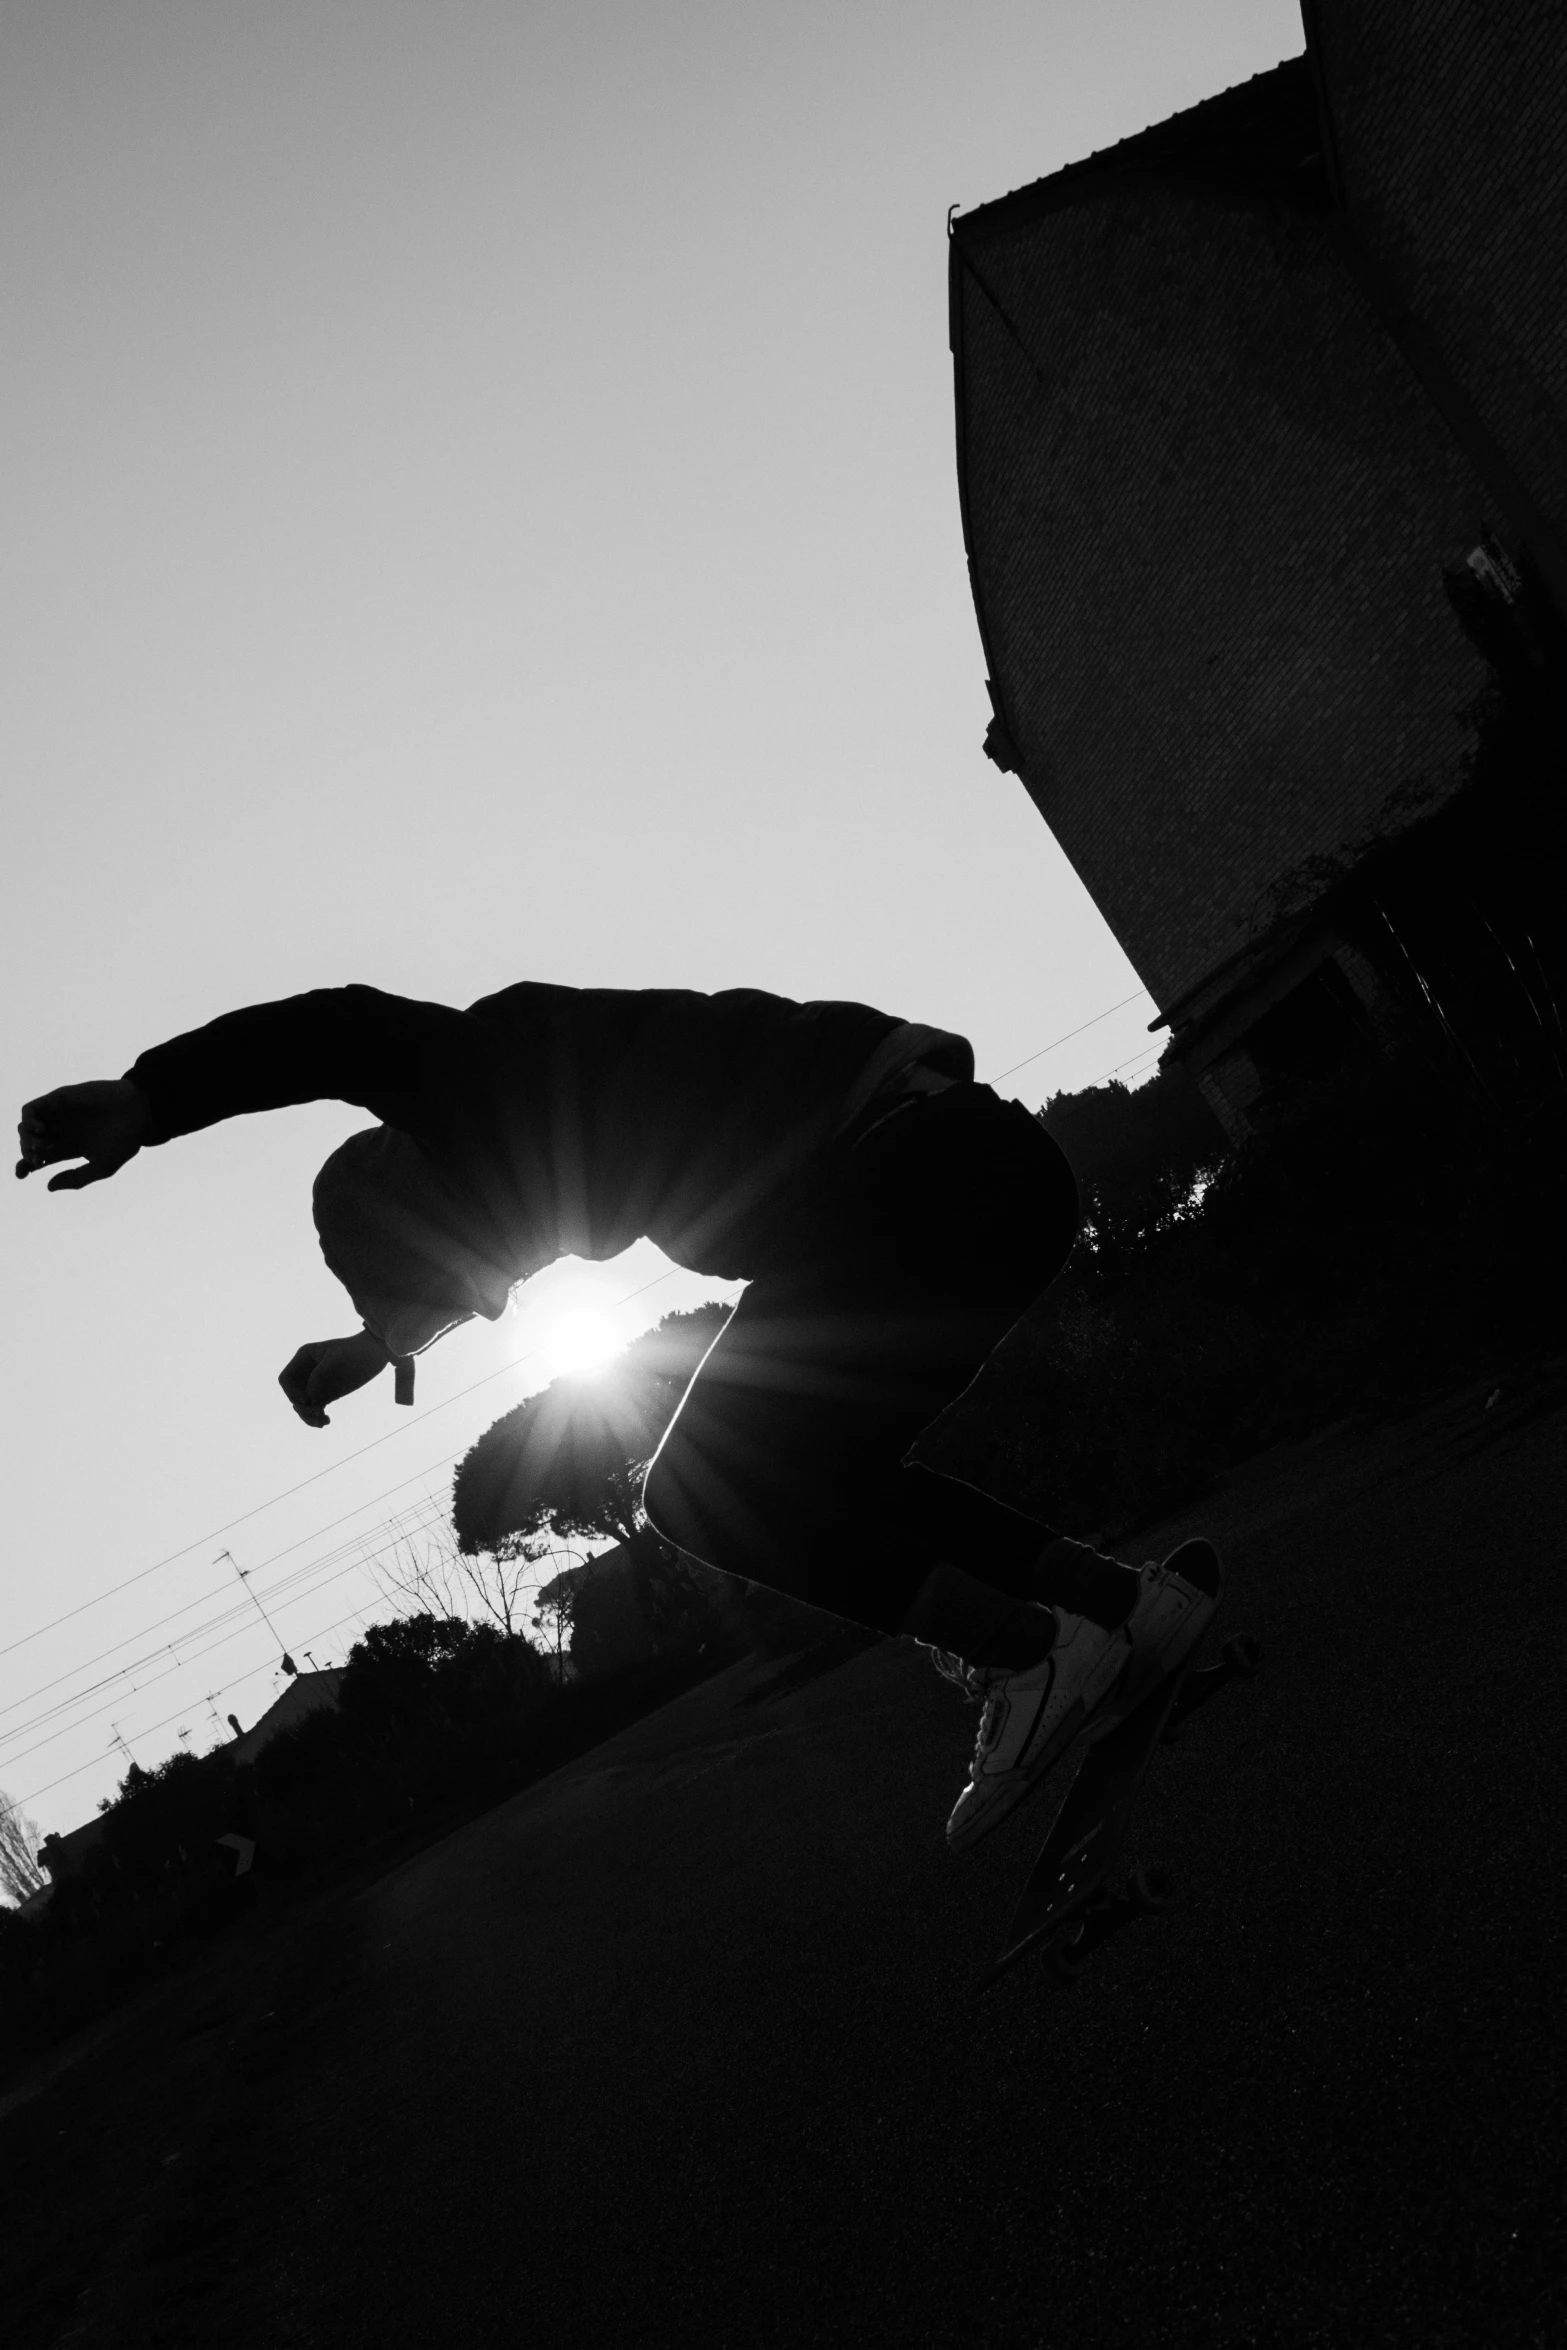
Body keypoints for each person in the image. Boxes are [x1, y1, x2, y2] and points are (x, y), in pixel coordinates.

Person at [15, 977, 1219, 1849]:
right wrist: (379, 1341)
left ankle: (1034, 1659)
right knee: (827, 1468)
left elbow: (337, 1028)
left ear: (429, 1188)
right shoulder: (555, 1125)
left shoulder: (475, 1082)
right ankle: (1125, 1607)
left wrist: (148, 1096)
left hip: (908, 1177)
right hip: (988, 1171)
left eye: (467, 1274)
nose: (501, 1284)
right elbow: (475, 1252)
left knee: (699, 1489)